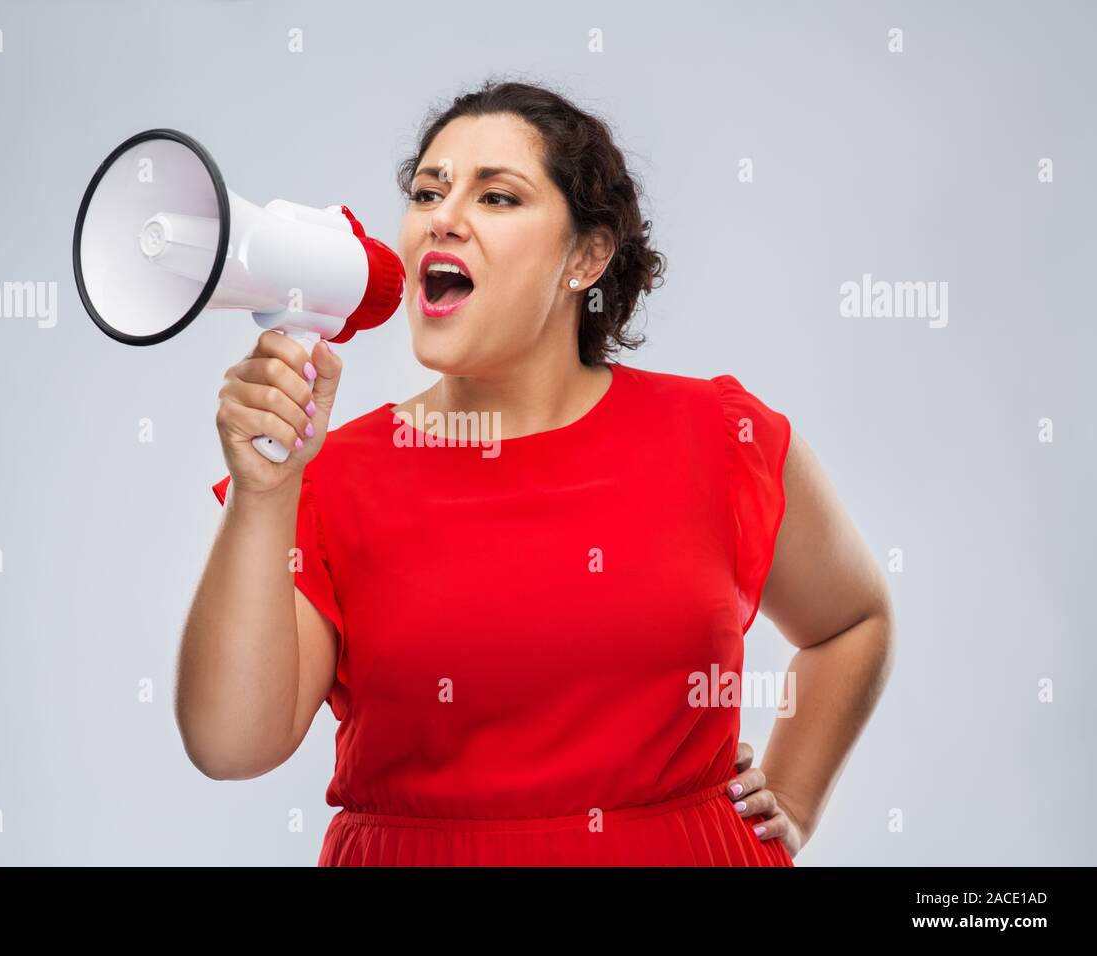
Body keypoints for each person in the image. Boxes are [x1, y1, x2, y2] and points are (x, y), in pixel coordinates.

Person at [177, 78, 896, 866]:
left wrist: (790, 799)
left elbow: (852, 624)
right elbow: (229, 744)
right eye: (428, 191)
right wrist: (263, 491)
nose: (443, 218)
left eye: (498, 198)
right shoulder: (322, 480)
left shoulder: (723, 437)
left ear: (585, 257)